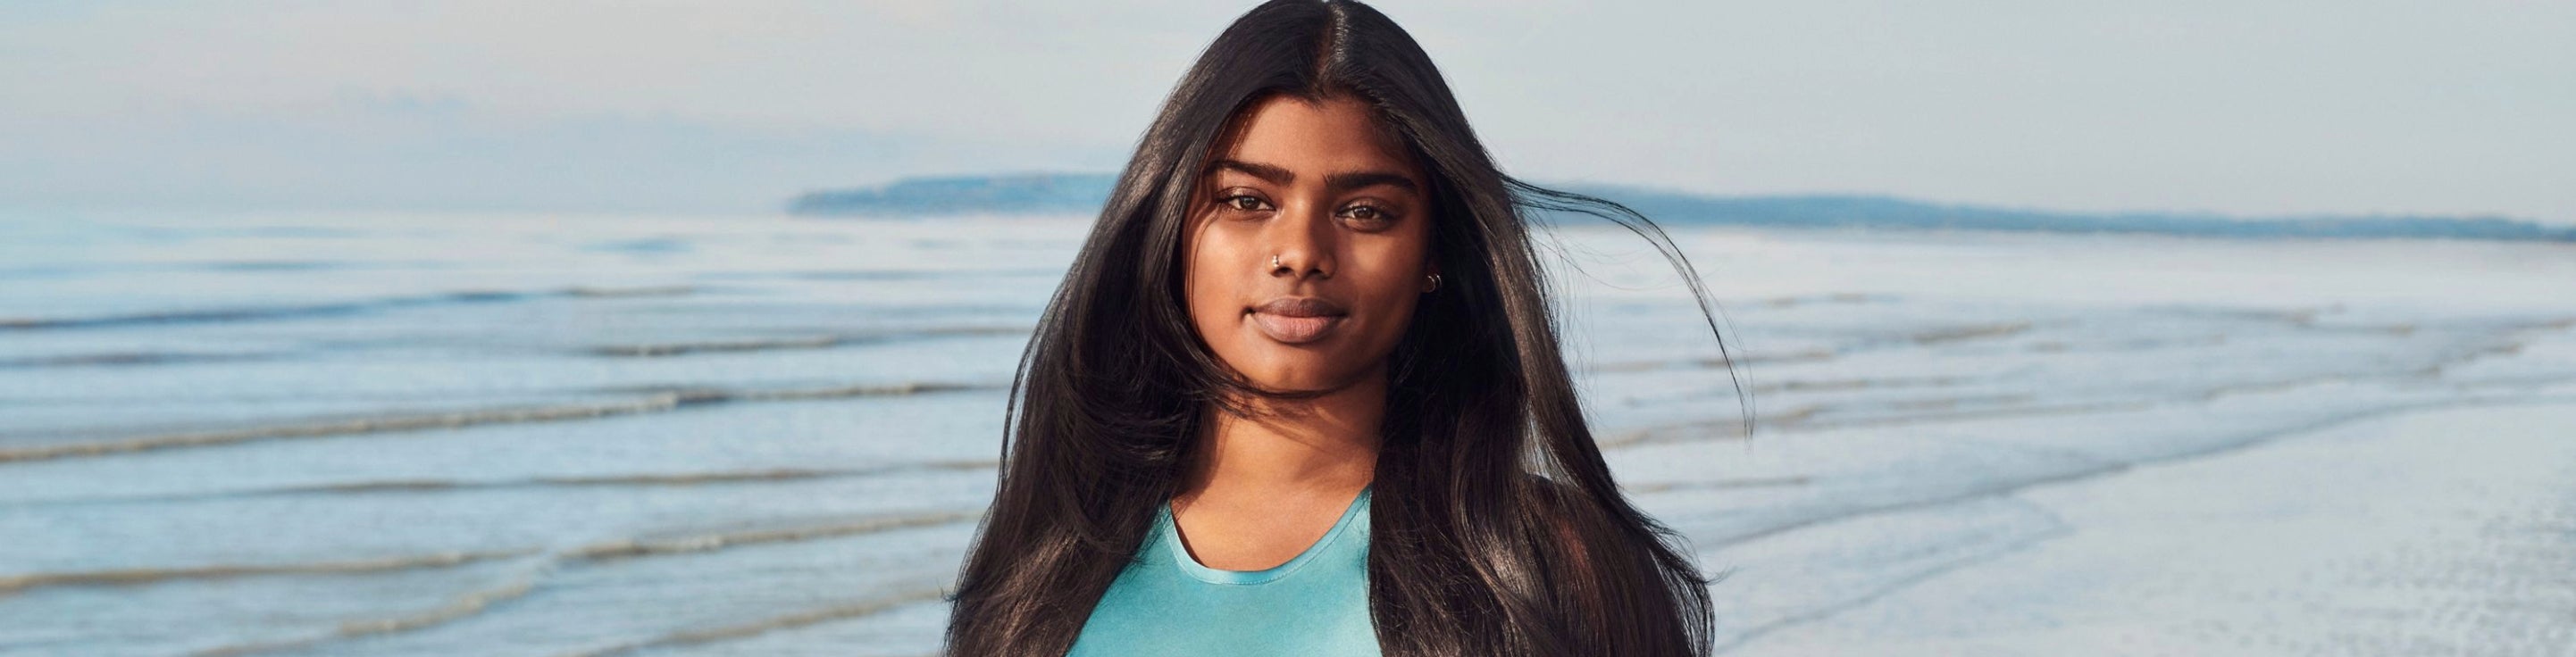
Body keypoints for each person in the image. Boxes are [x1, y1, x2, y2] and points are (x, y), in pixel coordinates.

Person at [942, 1, 1737, 655]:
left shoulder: (1545, 564)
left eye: (1365, 212)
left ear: (1434, 253)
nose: (1300, 254)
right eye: (1247, 201)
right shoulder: (1052, 547)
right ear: (1172, 235)